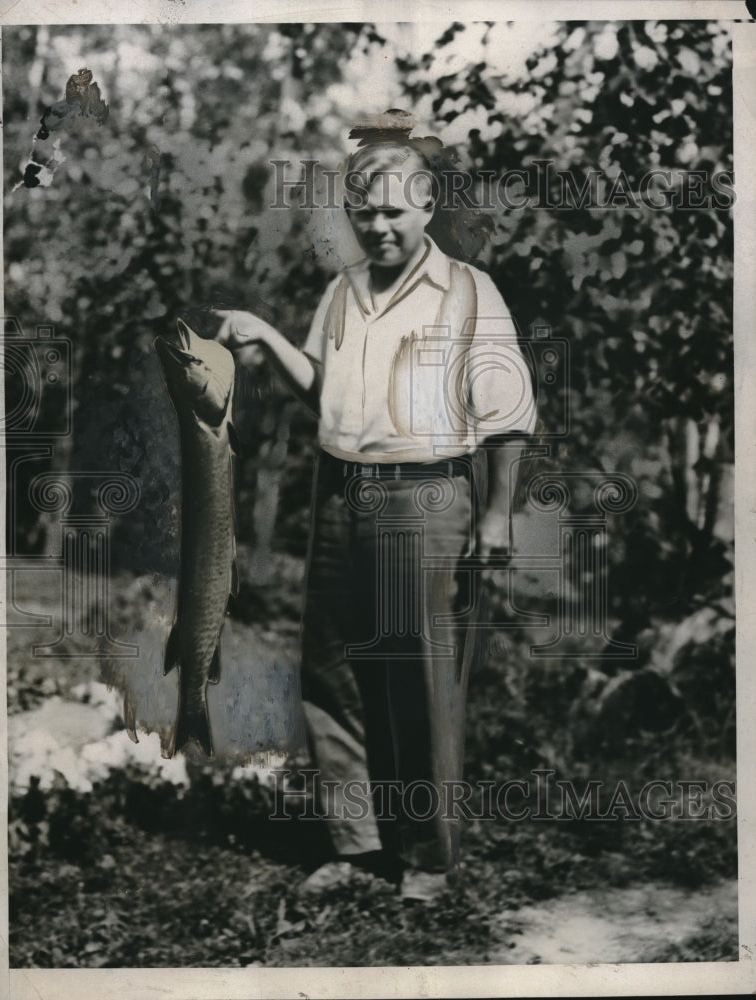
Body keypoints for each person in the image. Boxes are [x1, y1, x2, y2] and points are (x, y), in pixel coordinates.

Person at [215, 135, 536, 901]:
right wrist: (263, 333)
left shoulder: (467, 291)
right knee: (331, 674)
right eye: (364, 213)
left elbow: (508, 416)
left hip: (425, 498)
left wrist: (495, 517)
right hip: (339, 497)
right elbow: (322, 393)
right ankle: (356, 846)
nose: (378, 226)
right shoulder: (342, 290)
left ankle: (426, 858)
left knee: (416, 681)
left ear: (427, 206)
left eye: (393, 210)